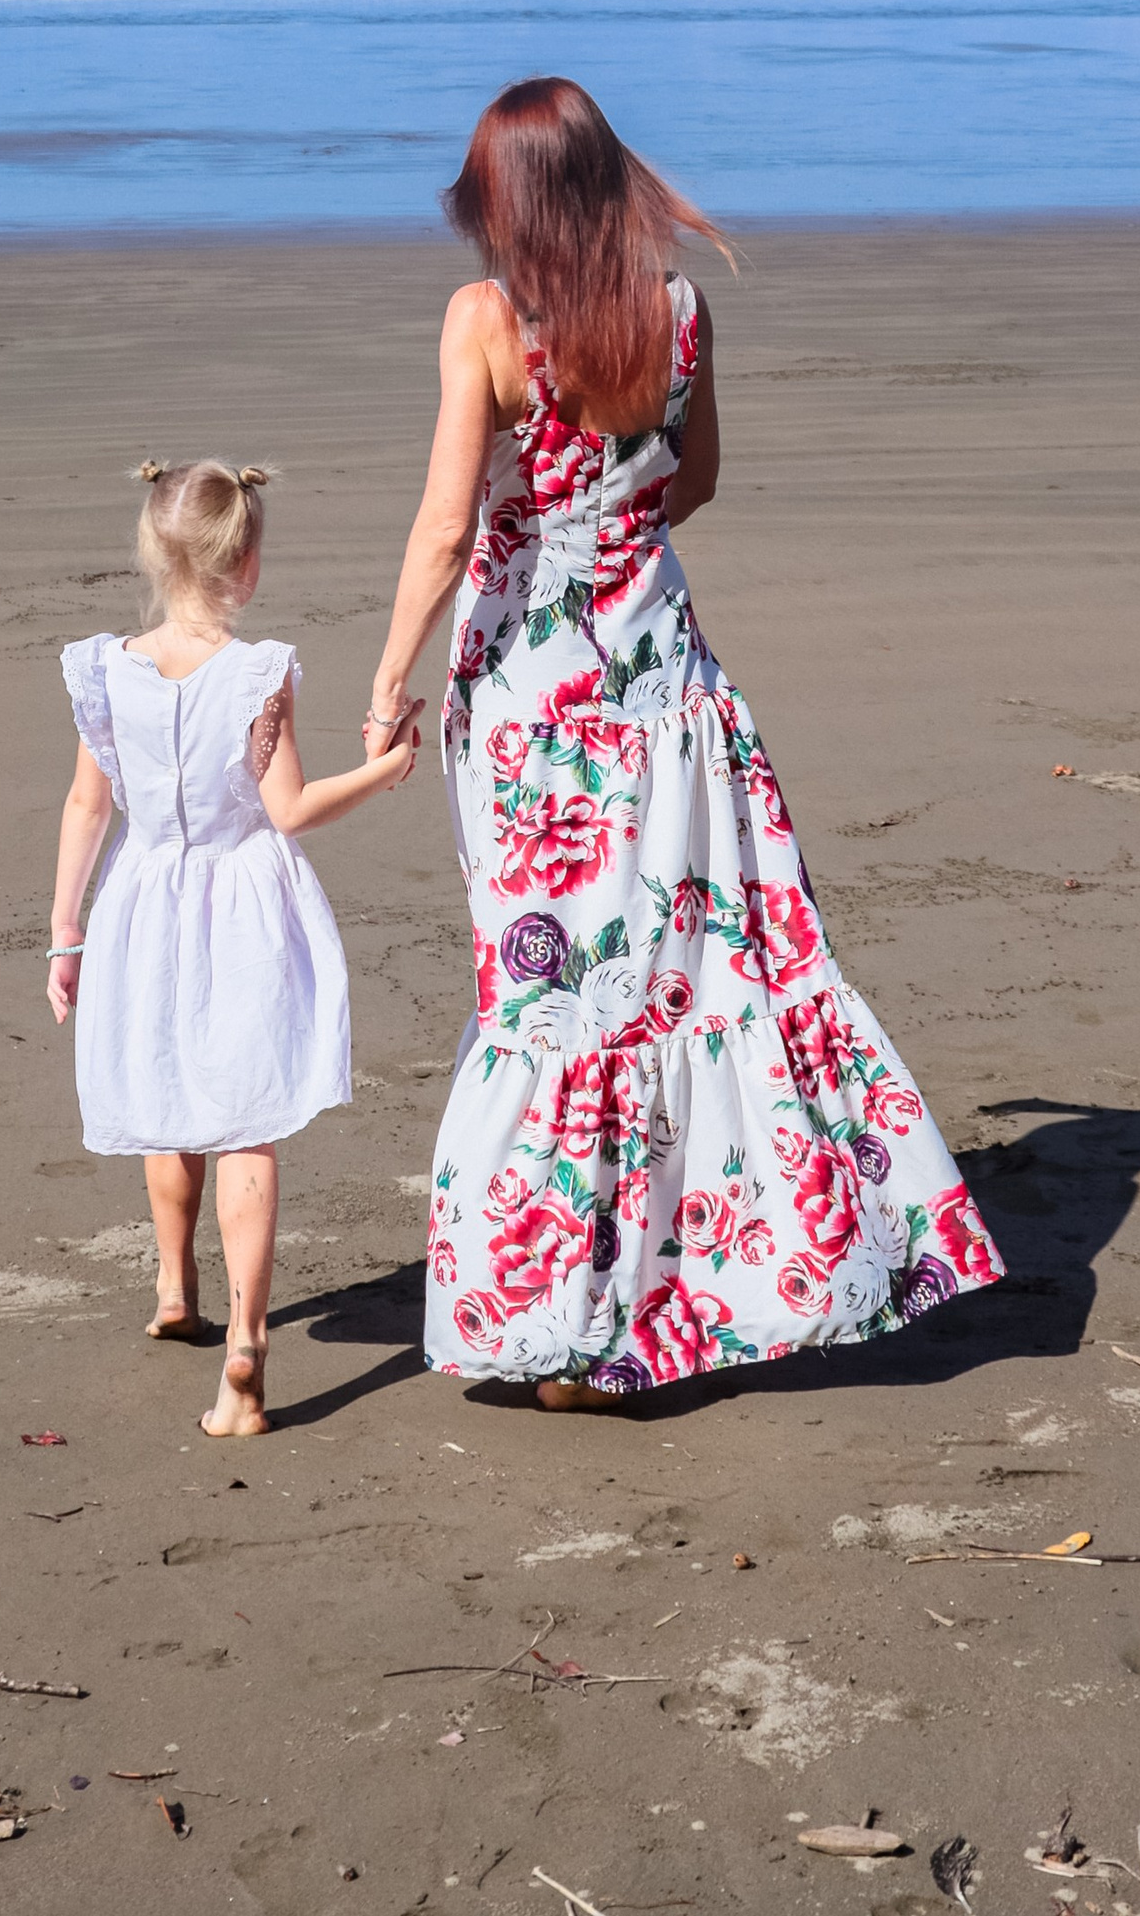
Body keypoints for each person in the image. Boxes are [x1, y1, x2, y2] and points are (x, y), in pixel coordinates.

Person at [368, 78, 999, 1403]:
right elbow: (693, 480)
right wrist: (611, 529)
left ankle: (566, 1326)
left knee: (553, 999)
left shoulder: (484, 319)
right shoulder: (679, 307)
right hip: (668, 684)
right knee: (686, 983)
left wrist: (387, 682)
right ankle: (680, 1298)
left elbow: (442, 527)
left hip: (535, 712)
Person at [47, 455, 416, 1437]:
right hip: (242, 903)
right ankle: (245, 1347)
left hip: (142, 900)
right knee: (245, 1117)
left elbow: (87, 804)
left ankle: (175, 1285)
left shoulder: (107, 668)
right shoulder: (259, 671)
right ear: (245, 562)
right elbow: (287, 807)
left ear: (152, 552)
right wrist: (386, 768)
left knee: (165, 1094)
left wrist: (64, 930)